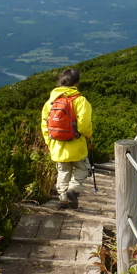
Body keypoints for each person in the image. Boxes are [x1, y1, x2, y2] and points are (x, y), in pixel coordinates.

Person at [41, 67, 93, 210]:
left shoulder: (50, 102)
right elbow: (84, 126)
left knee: (63, 171)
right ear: (76, 83)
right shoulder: (80, 100)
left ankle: (63, 200)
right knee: (83, 168)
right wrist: (88, 134)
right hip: (76, 145)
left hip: (57, 146)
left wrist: (50, 142)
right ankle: (74, 189)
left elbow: (44, 125)